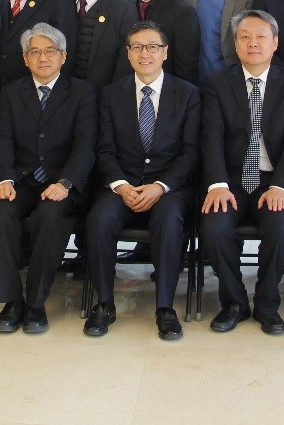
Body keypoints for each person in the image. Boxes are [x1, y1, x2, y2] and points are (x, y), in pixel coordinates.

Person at [83, 22, 201, 340]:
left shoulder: (188, 94)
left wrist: (160, 187)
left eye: (152, 47)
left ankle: (165, 307)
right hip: (123, 183)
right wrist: (120, 185)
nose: (144, 53)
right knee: (98, 219)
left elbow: (190, 153)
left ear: (165, 53)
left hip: (169, 187)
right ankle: (104, 303)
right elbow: (104, 149)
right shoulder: (110, 94)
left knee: (168, 219)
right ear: (128, 53)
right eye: (137, 47)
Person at [200, 10, 284, 336]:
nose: (253, 43)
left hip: (272, 181)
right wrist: (217, 184)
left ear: (275, 43)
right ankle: (233, 302)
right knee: (214, 229)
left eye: (261, 36)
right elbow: (211, 136)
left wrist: (282, 186)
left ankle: (266, 302)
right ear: (235, 43)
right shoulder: (217, 83)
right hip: (230, 181)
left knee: (282, 227)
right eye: (244, 36)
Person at [0, 24, 97, 334]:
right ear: (25, 59)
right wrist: (3, 179)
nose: (43, 58)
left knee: (50, 216)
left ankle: (35, 303)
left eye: (50, 51)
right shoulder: (11, 92)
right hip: (21, 180)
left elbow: (85, 144)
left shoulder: (82, 92)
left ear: (63, 57)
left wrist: (66, 183)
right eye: (35, 52)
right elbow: (1, 140)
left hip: (61, 183)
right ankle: (12, 302)